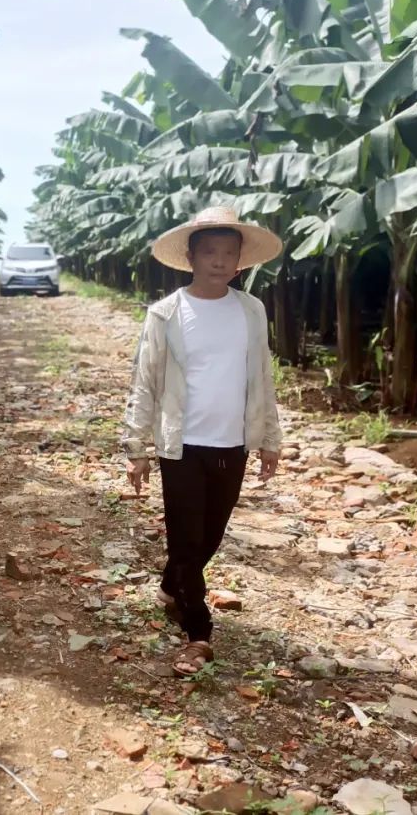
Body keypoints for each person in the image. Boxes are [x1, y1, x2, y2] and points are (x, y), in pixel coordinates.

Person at [121, 206, 284, 677]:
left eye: (228, 253)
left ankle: (172, 587)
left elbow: (263, 377)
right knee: (188, 539)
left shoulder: (251, 310)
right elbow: (145, 381)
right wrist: (137, 448)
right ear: (191, 256)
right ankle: (198, 631)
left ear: (240, 262)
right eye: (209, 251)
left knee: (209, 536)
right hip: (182, 444)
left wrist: (269, 438)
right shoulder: (166, 313)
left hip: (232, 442)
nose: (218, 260)